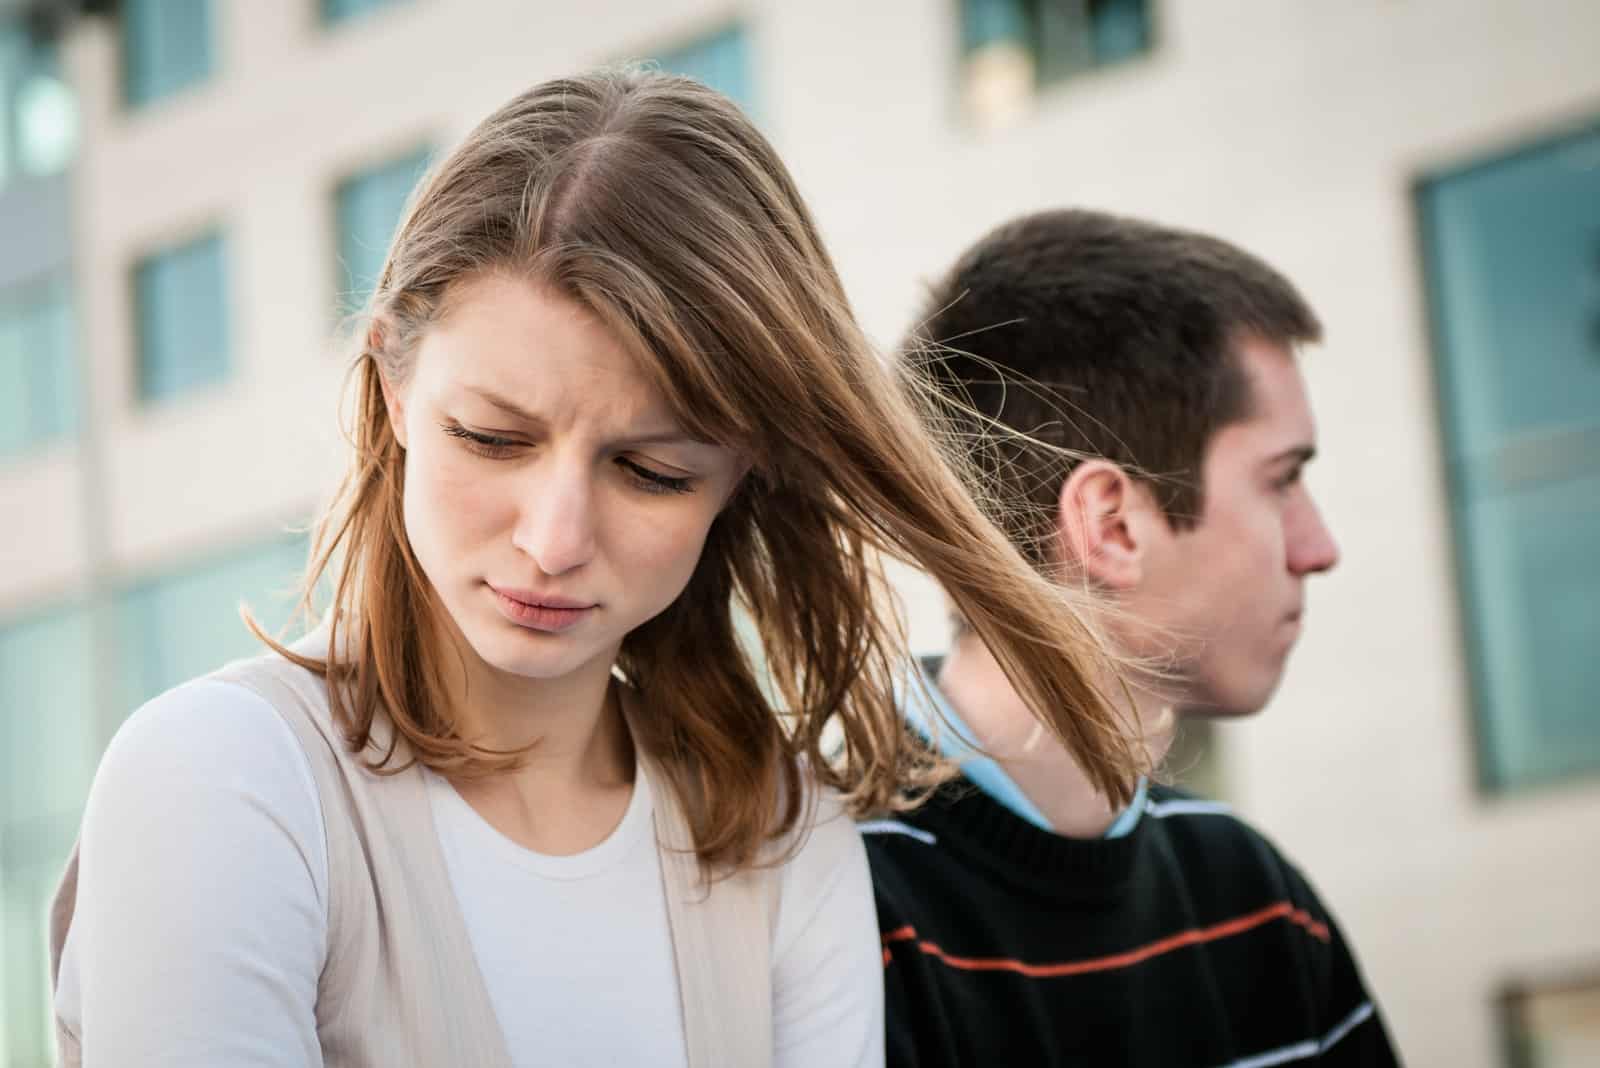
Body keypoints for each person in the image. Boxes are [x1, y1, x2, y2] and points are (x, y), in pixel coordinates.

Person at [47, 73, 1144, 1067]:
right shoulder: (223, 780)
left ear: (742, 474)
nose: (553, 539)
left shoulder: (781, 834)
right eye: (492, 438)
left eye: (653, 472)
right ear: (392, 387)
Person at [866, 209, 1402, 1066]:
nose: (1319, 548)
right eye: (1281, 482)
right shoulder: (833, 916)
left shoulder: (1258, 902)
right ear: (1111, 526)